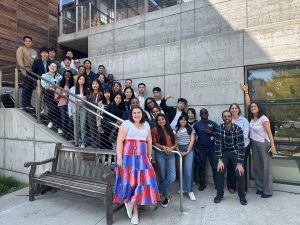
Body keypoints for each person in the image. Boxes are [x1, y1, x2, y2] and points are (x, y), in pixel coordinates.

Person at [114, 106, 160, 225]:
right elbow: (119, 141)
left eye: (139, 112)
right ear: (131, 114)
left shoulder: (146, 125)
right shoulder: (126, 124)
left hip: (142, 159)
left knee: (143, 183)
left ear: (142, 114)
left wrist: (149, 157)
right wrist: (119, 158)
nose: (136, 114)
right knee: (132, 183)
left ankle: (133, 205)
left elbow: (149, 141)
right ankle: (134, 210)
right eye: (134, 112)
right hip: (128, 159)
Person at [214, 110, 247, 205]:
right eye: (225, 116)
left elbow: (241, 147)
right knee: (220, 170)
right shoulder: (219, 128)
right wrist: (220, 160)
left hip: (235, 152)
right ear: (222, 118)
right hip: (224, 153)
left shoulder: (238, 129)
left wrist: (240, 163)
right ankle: (219, 194)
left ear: (231, 117)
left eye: (229, 116)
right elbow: (218, 145)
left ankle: (242, 196)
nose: (227, 118)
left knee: (240, 172)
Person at [248, 101, 277, 198]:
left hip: (264, 144)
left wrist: (272, 146)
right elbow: (249, 103)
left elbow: (269, 133)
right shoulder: (252, 118)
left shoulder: (264, 118)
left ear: (259, 108)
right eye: (251, 107)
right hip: (254, 144)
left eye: (255, 106)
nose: (253, 108)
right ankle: (260, 188)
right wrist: (246, 92)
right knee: (257, 166)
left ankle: (268, 191)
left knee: (266, 168)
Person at [152, 113, 177, 208]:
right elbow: (154, 143)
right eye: (159, 120)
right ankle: (166, 197)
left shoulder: (171, 129)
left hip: (171, 154)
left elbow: (176, 142)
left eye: (162, 119)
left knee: (172, 177)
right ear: (157, 121)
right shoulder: (154, 130)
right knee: (163, 177)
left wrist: (172, 148)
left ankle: (155, 192)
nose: (161, 121)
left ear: (165, 119)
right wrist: (164, 147)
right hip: (160, 154)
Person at [227, 103, 250, 193]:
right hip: (230, 147)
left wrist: (233, 138)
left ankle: (243, 188)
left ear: (239, 110)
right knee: (230, 167)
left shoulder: (244, 120)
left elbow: (245, 134)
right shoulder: (228, 120)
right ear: (230, 110)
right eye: (232, 108)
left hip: (242, 147)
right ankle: (231, 186)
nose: (234, 110)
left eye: (236, 108)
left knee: (241, 167)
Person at [193, 108, 218, 191]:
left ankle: (217, 184)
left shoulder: (213, 124)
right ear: (199, 115)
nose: (204, 114)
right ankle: (202, 184)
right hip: (201, 149)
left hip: (212, 149)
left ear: (208, 114)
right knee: (201, 167)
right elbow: (193, 138)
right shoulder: (196, 125)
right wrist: (196, 148)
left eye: (205, 113)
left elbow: (218, 135)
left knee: (215, 166)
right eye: (202, 113)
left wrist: (210, 132)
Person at [175, 115, 196, 201]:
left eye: (184, 120)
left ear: (187, 121)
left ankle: (190, 190)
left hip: (189, 150)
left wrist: (187, 151)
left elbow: (192, 140)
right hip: (178, 150)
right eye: (181, 120)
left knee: (188, 171)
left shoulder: (190, 128)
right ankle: (183, 188)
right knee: (180, 171)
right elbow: (175, 141)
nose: (183, 121)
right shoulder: (175, 129)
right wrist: (178, 151)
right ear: (179, 121)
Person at [17, 36, 38, 109]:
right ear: (24, 42)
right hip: (25, 70)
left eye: (29, 41)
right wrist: (23, 71)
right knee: (26, 87)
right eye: (26, 41)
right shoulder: (21, 49)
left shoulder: (34, 52)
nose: (28, 42)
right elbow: (19, 60)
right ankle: (24, 104)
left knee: (31, 88)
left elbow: (36, 63)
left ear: (31, 42)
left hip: (33, 73)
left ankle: (28, 104)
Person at [68, 74, 89, 148]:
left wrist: (83, 102)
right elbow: (70, 101)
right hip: (74, 108)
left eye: (83, 79)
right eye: (80, 79)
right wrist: (69, 112)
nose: (81, 81)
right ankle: (77, 141)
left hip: (83, 108)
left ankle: (83, 142)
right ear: (77, 80)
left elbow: (88, 101)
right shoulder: (72, 89)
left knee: (82, 126)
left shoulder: (87, 89)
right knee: (76, 126)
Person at [41, 62, 63, 130]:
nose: (53, 67)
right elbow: (44, 85)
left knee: (58, 110)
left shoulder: (59, 76)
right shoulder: (44, 75)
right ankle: (51, 121)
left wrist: (51, 85)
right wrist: (52, 86)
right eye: (51, 66)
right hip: (49, 93)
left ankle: (59, 127)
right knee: (52, 108)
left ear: (56, 68)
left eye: (55, 66)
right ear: (48, 67)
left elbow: (60, 85)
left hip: (58, 94)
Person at [54, 70, 74, 138]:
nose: (67, 76)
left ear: (71, 76)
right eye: (66, 75)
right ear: (63, 76)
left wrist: (68, 96)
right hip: (62, 103)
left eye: (69, 75)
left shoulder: (73, 84)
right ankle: (65, 133)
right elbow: (56, 95)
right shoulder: (61, 84)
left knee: (70, 119)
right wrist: (62, 95)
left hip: (71, 104)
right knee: (64, 118)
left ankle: (71, 133)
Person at [87, 79, 103, 147]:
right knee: (92, 129)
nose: (95, 85)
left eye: (96, 84)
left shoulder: (102, 94)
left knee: (99, 129)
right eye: (93, 84)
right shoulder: (89, 93)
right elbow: (87, 104)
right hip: (91, 113)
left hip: (99, 114)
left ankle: (99, 145)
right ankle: (94, 145)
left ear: (99, 85)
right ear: (91, 85)